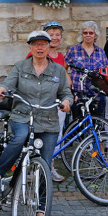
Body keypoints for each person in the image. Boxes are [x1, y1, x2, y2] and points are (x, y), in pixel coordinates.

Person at [0, 31, 72, 216]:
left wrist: (67, 102)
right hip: (23, 116)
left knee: (45, 162)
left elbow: (66, 92)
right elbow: (8, 84)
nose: (40, 48)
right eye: (36, 44)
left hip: (48, 122)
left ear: (49, 47)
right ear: (30, 47)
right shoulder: (20, 66)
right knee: (20, 138)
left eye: (44, 44)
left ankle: (42, 207)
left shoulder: (58, 70)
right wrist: (2, 89)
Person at [28, 21, 68, 183]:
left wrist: (69, 95)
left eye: (58, 35)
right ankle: (32, 167)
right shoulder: (34, 55)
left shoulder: (60, 57)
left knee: (56, 135)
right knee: (35, 134)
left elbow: (64, 79)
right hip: (38, 103)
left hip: (56, 103)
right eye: (51, 35)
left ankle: (50, 166)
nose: (55, 38)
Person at [65, 21, 108, 116]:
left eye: (91, 33)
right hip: (78, 93)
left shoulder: (100, 52)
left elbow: (106, 70)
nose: (88, 35)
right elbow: (64, 68)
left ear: (95, 35)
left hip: (96, 94)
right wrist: (69, 82)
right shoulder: (73, 50)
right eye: (85, 33)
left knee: (96, 124)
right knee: (78, 124)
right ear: (82, 35)